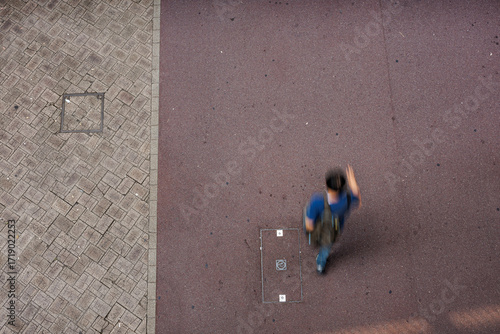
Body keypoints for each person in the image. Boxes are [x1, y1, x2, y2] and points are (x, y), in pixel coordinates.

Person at [304, 165, 361, 274]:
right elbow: (356, 195)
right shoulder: (349, 199)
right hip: (335, 227)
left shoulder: (317, 201)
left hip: (320, 226)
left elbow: (309, 225)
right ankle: (320, 265)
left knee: (307, 214)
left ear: (327, 185)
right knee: (326, 247)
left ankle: (314, 240)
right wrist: (352, 181)